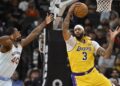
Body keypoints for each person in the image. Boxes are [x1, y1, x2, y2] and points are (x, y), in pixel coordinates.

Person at [62, 3, 120, 86]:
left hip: (93, 74)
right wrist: (69, 13)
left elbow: (106, 55)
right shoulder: (71, 42)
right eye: (75, 30)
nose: (77, 31)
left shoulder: (92, 43)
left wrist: (112, 39)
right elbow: (64, 29)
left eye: (79, 29)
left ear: (84, 32)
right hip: (80, 78)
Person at [0, 14, 53, 86]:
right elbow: (2, 39)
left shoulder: (20, 44)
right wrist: (10, 38)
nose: (19, 32)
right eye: (16, 31)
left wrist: (45, 22)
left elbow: (34, 33)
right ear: (12, 35)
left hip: (7, 80)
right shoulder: (8, 46)